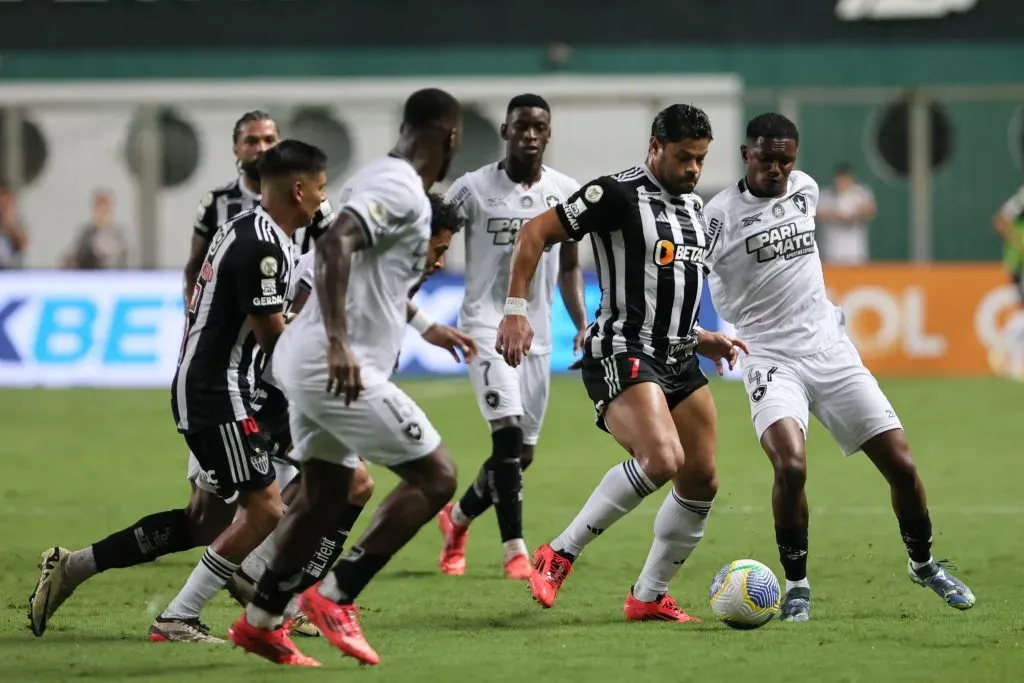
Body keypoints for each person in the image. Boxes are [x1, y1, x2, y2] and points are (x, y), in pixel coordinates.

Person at [227, 88, 476, 668]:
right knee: (437, 477)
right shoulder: (399, 188)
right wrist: (339, 341)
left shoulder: (376, 177)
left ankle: (262, 620)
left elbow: (355, 263)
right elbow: (337, 245)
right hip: (331, 362)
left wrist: (421, 324)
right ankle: (336, 595)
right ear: (450, 137)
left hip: (305, 356)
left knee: (325, 494)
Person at [701, 112, 975, 622]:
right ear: (746, 155)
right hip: (770, 357)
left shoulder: (805, 189)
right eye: (766, 158)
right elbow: (680, 275)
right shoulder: (719, 217)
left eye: (786, 159)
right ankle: (798, 586)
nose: (778, 169)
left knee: (902, 466)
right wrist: (699, 335)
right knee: (791, 465)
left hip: (830, 349)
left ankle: (924, 564)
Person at [495, 104, 746, 622]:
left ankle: (648, 596)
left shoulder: (695, 209)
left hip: (678, 358)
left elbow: (666, 290)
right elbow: (534, 234)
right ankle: (558, 552)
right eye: (683, 157)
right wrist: (516, 312)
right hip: (623, 351)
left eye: (700, 158)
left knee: (702, 479)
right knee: (662, 459)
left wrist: (702, 338)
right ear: (655, 147)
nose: (694, 169)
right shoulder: (613, 193)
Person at [437, 93, 586, 580]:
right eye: (520, 126)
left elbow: (568, 269)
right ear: (505, 132)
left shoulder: (566, 192)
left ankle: (456, 520)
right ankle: (514, 550)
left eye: (538, 127)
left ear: (548, 134)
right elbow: (435, 235)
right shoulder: (473, 188)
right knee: (507, 433)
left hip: (539, 335)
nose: (528, 134)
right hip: (484, 324)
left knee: (521, 454)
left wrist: (582, 324)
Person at [991, 183, 1024, 378]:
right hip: (1021, 264)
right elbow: (1001, 221)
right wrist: (1019, 244)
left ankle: (1014, 365)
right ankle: (1001, 349)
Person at [816, 163, 876, 265]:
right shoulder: (826, 195)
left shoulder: (860, 193)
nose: (843, 182)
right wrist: (835, 215)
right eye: (840, 179)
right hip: (832, 252)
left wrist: (855, 214)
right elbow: (817, 213)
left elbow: (871, 209)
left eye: (846, 179)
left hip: (856, 253)